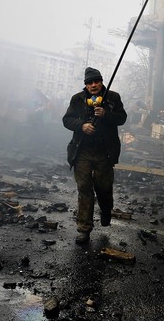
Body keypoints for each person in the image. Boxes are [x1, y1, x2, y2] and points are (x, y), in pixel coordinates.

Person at [62, 67, 128, 245]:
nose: (93, 85)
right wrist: (81, 125)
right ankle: (84, 229)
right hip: (82, 151)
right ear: (86, 85)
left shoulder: (113, 98)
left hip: (104, 152)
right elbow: (67, 120)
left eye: (96, 81)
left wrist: (106, 115)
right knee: (84, 189)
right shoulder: (77, 99)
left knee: (104, 188)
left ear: (101, 82)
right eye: (89, 82)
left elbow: (122, 118)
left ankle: (106, 211)